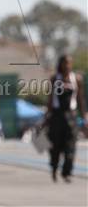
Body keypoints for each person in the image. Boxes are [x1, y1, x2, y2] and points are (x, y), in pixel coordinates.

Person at [46, 55, 88, 183]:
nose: (67, 66)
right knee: (55, 145)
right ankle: (54, 168)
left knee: (71, 145)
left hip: (71, 116)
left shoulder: (77, 79)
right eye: (65, 63)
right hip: (57, 116)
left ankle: (67, 172)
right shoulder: (55, 79)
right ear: (61, 64)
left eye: (70, 63)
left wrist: (85, 115)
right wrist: (47, 115)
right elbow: (50, 99)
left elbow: (80, 99)